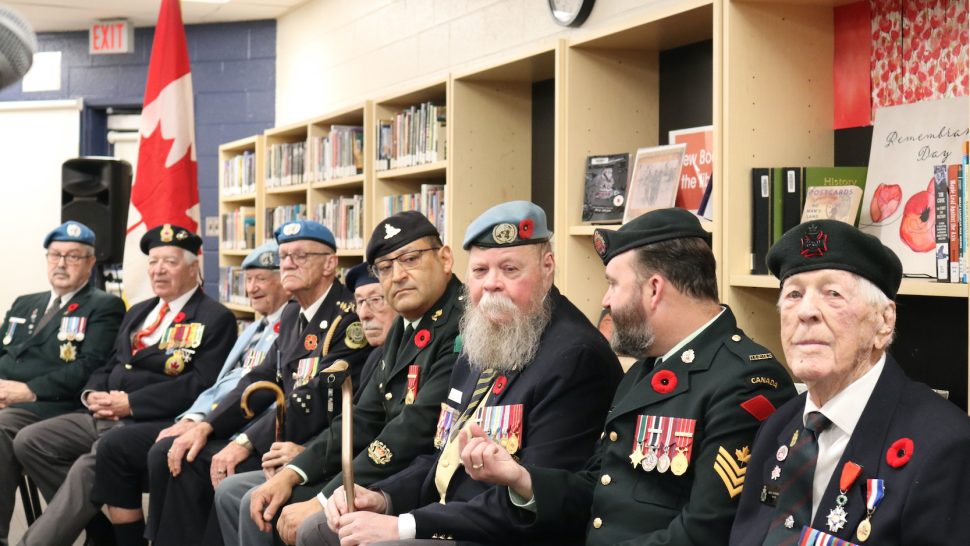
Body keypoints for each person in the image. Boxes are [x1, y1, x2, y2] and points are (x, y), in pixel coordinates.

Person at [458, 207, 796, 545]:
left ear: (654, 289)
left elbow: (706, 532)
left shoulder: (747, 381)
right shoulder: (644, 371)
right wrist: (520, 478)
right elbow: (598, 487)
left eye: (613, 284)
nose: (605, 300)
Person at [305, 200, 624, 545]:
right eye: (480, 271)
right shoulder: (485, 334)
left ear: (547, 267)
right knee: (318, 529)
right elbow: (441, 457)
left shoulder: (575, 357)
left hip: (499, 535)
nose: (492, 284)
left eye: (510, 270)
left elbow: (537, 498)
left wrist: (405, 525)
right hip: (450, 515)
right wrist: (383, 497)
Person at [215, 211, 463, 546]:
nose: (398, 276)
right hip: (382, 467)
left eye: (410, 259)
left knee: (292, 517)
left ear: (445, 259)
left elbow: (413, 429)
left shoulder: (459, 324)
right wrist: (293, 472)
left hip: (418, 479)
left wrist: (322, 499)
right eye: (385, 267)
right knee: (251, 496)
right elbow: (362, 417)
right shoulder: (408, 322)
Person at [729, 220, 970, 546]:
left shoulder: (943, 446)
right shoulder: (777, 428)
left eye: (833, 294)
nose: (806, 311)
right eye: (794, 294)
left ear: (884, 322)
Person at [137, 221, 372, 546]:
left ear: (330, 264)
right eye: (284, 256)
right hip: (281, 432)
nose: (288, 264)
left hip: (315, 439)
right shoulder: (292, 313)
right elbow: (260, 378)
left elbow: (313, 398)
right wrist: (207, 425)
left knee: (201, 465)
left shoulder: (347, 318)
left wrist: (245, 442)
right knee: (183, 450)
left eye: (300, 256)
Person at [12, 223, 237, 546]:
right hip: (104, 412)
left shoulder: (214, 317)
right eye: (153, 262)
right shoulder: (140, 311)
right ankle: (100, 532)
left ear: (193, 268)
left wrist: (131, 404)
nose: (158, 270)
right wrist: (93, 394)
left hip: (150, 420)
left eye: (169, 262)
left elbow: (200, 384)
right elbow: (111, 363)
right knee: (30, 440)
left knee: (90, 466)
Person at [84, 241, 288, 546]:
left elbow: (247, 389)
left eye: (262, 279)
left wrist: (207, 424)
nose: (252, 288)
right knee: (127, 451)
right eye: (248, 279)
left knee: (167, 452)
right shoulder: (254, 328)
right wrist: (194, 418)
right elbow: (221, 385)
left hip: (245, 428)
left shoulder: (274, 325)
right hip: (209, 417)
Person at [0, 221, 125, 546]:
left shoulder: (103, 305)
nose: (61, 263)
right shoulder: (25, 303)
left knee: (1, 428)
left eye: (73, 256)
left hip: (54, 406)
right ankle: (98, 529)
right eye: (55, 255)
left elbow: (88, 366)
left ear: (90, 262)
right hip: (9, 401)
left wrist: (29, 390)